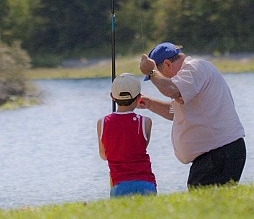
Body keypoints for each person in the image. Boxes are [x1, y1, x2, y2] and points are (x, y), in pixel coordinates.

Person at [139, 42, 246, 188]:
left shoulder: (194, 68)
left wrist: (151, 73)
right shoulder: (189, 77)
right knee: (210, 204)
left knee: (205, 204)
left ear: (167, 64)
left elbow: (171, 90)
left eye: (159, 74)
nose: (157, 81)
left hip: (219, 153)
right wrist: (150, 103)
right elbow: (175, 112)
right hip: (217, 153)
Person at [97, 73, 157, 197]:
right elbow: (139, 147)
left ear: (112, 96)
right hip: (146, 182)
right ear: (139, 97)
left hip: (119, 184)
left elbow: (104, 155)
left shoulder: (102, 123)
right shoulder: (145, 122)